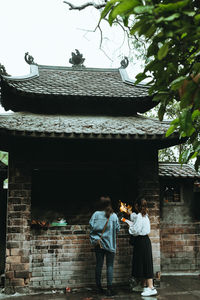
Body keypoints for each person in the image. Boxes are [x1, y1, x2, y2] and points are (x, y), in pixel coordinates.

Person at [125, 196, 157, 297]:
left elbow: (135, 231)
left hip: (141, 241)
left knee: (146, 264)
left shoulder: (139, 216)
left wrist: (129, 227)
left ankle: (151, 288)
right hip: (145, 240)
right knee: (144, 263)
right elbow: (136, 222)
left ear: (136, 205)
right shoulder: (145, 215)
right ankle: (144, 285)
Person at [89, 196, 120, 296]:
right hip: (110, 244)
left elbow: (91, 226)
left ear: (100, 204)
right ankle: (109, 289)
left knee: (99, 265)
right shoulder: (114, 216)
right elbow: (117, 229)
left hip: (99, 244)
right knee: (110, 266)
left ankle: (99, 288)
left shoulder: (95, 214)